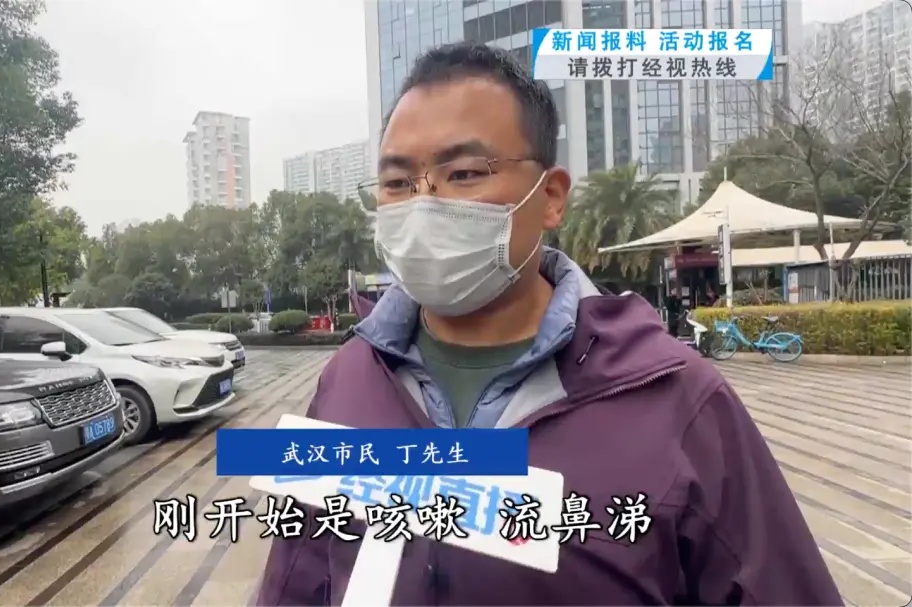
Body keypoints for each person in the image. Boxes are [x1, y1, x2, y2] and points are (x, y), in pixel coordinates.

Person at [256, 42, 841, 606]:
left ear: (552, 197)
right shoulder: (348, 380)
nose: (424, 204)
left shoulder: (676, 399)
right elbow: (296, 579)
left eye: (464, 173)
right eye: (397, 183)